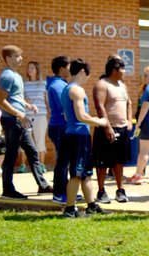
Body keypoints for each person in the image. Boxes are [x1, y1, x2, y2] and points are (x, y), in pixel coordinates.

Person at [0, 45, 52, 200]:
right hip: (12, 120)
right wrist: (19, 114)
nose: (20, 58)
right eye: (16, 56)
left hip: (19, 120)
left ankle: (42, 185)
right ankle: (7, 189)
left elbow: (15, 97)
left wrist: (28, 106)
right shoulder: (7, 76)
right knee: (11, 154)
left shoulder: (17, 76)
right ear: (8, 58)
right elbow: (0, 100)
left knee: (33, 151)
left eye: (20, 56)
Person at [60, 59, 111, 218]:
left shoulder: (67, 88)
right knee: (76, 173)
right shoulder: (77, 90)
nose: (88, 78)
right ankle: (69, 209)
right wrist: (100, 121)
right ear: (82, 72)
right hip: (78, 135)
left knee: (86, 173)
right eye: (87, 74)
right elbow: (81, 116)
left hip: (77, 134)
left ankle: (91, 206)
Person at [91, 57, 132, 203]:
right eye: (122, 69)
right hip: (105, 129)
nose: (124, 72)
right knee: (102, 162)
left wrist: (129, 121)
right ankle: (101, 191)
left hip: (122, 128)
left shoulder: (122, 85)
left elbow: (129, 103)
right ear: (115, 70)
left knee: (119, 161)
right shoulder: (102, 85)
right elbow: (100, 106)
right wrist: (107, 126)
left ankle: (120, 190)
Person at [47, 56, 76, 203]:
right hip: (60, 127)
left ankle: (69, 190)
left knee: (66, 160)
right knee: (63, 161)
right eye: (70, 67)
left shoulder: (60, 84)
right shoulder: (58, 86)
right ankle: (59, 193)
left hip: (60, 126)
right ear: (62, 69)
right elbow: (64, 108)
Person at [24, 61, 48, 174]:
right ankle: (23, 165)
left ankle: (41, 164)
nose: (29, 70)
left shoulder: (43, 84)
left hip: (41, 115)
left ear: (37, 70)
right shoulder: (24, 84)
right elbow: (21, 97)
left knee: (40, 140)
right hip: (27, 115)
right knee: (25, 140)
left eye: (32, 68)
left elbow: (47, 99)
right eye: (28, 68)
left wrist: (49, 112)